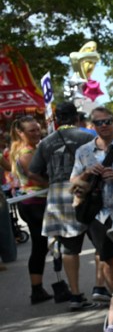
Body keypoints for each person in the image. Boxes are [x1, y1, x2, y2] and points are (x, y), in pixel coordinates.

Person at [27, 101, 101, 311]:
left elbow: (33, 171)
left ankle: (76, 295)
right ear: (77, 117)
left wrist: (50, 183)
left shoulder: (46, 142)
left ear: (56, 119)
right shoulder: (88, 136)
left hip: (59, 195)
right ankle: (100, 287)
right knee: (100, 243)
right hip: (88, 191)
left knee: (69, 247)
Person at [70, 106, 113, 302]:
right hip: (97, 213)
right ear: (92, 125)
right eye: (98, 122)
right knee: (107, 257)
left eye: (107, 121)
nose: (104, 126)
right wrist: (87, 173)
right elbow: (74, 182)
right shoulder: (83, 151)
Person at [9, 116, 52, 303]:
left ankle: (38, 289)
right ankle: (36, 289)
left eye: (37, 129)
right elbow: (35, 176)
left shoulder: (30, 149)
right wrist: (54, 184)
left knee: (41, 245)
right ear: (20, 133)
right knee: (40, 245)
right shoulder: (26, 152)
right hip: (34, 203)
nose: (36, 133)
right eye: (31, 131)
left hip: (36, 201)